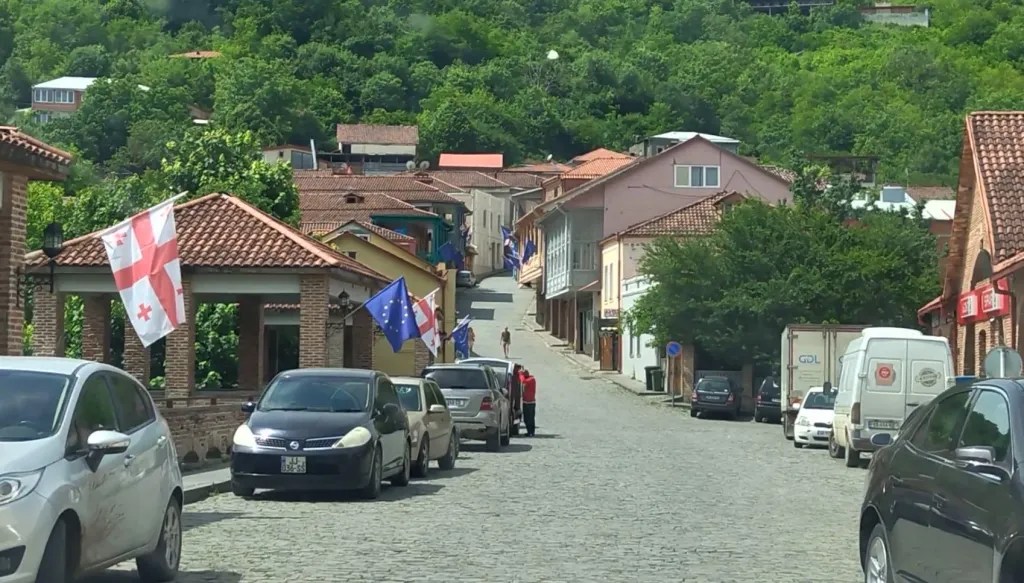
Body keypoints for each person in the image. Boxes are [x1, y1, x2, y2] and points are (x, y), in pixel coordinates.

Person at [521, 368, 537, 437]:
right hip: (525, 402)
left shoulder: (531, 380)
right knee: (526, 418)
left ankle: (531, 432)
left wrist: (520, 374)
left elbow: (523, 381)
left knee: (530, 418)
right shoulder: (529, 379)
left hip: (530, 403)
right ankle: (529, 431)